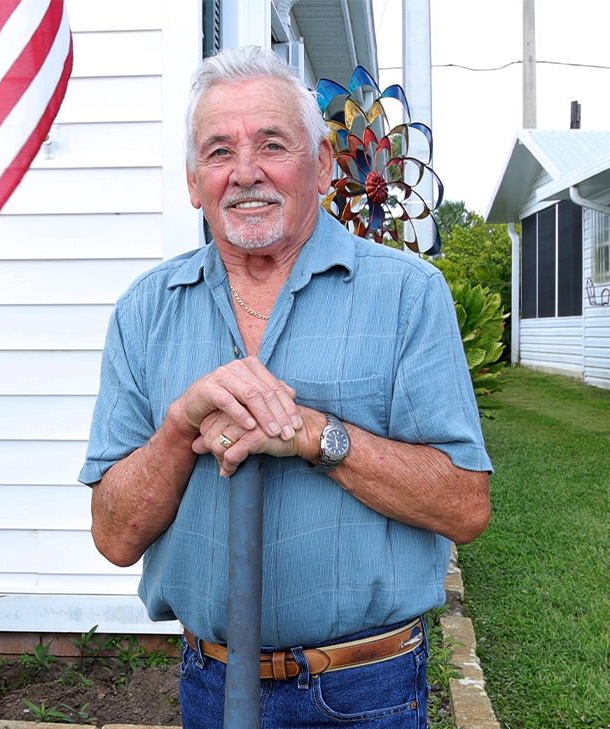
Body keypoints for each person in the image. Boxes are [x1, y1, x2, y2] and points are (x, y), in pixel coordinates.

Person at [79, 46, 492, 728]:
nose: (246, 172)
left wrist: (313, 435)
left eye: (272, 144)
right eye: (219, 152)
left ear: (323, 166)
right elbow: (115, 537)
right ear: (192, 181)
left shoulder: (406, 295)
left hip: (365, 690)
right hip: (209, 685)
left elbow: (466, 507)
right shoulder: (145, 310)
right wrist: (182, 427)